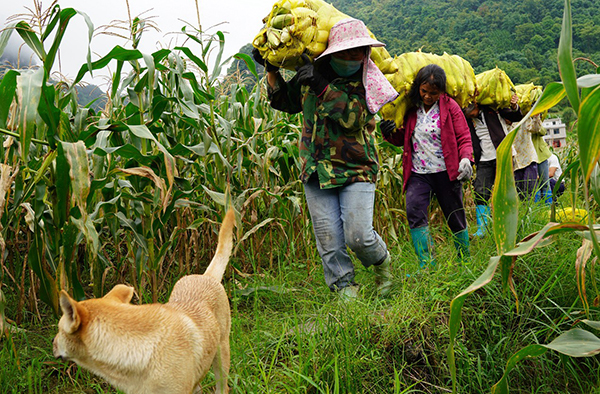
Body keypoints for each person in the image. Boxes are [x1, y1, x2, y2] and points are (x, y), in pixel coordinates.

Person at [252, 18, 399, 299]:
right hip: (316, 170)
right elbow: (285, 101)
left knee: (359, 236)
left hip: (355, 167)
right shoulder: (312, 73)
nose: (354, 57)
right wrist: (271, 70)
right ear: (333, 53)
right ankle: (345, 291)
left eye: (359, 51)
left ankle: (382, 264)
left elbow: (353, 118)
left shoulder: (368, 80)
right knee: (329, 241)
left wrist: (322, 86)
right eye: (347, 52)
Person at [380, 64, 473, 268]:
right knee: (414, 211)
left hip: (446, 172)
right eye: (424, 91)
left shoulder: (450, 107)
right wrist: (387, 132)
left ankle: (465, 260)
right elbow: (401, 139)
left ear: (441, 91)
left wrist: (466, 158)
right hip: (418, 172)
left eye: (433, 93)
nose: (428, 96)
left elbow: (464, 137)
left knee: (454, 215)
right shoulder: (412, 109)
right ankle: (427, 264)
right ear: (417, 89)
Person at [464, 94, 523, 237]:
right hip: (483, 159)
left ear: (476, 105)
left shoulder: (492, 109)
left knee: (505, 190)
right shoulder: (467, 120)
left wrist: (514, 106)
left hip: (502, 154)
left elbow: (515, 116)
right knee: (480, 191)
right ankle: (483, 228)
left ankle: (508, 224)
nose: (469, 113)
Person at [513, 115, 541, 200]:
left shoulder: (523, 117)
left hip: (528, 159)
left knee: (530, 190)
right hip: (515, 162)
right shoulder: (502, 121)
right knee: (519, 192)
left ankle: (531, 211)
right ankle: (524, 211)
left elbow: (535, 129)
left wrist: (536, 117)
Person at [531, 116, 553, 204]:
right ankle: (537, 208)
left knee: (545, 183)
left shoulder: (536, 120)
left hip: (541, 155)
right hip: (529, 157)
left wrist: (536, 119)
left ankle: (549, 206)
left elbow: (543, 132)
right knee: (534, 185)